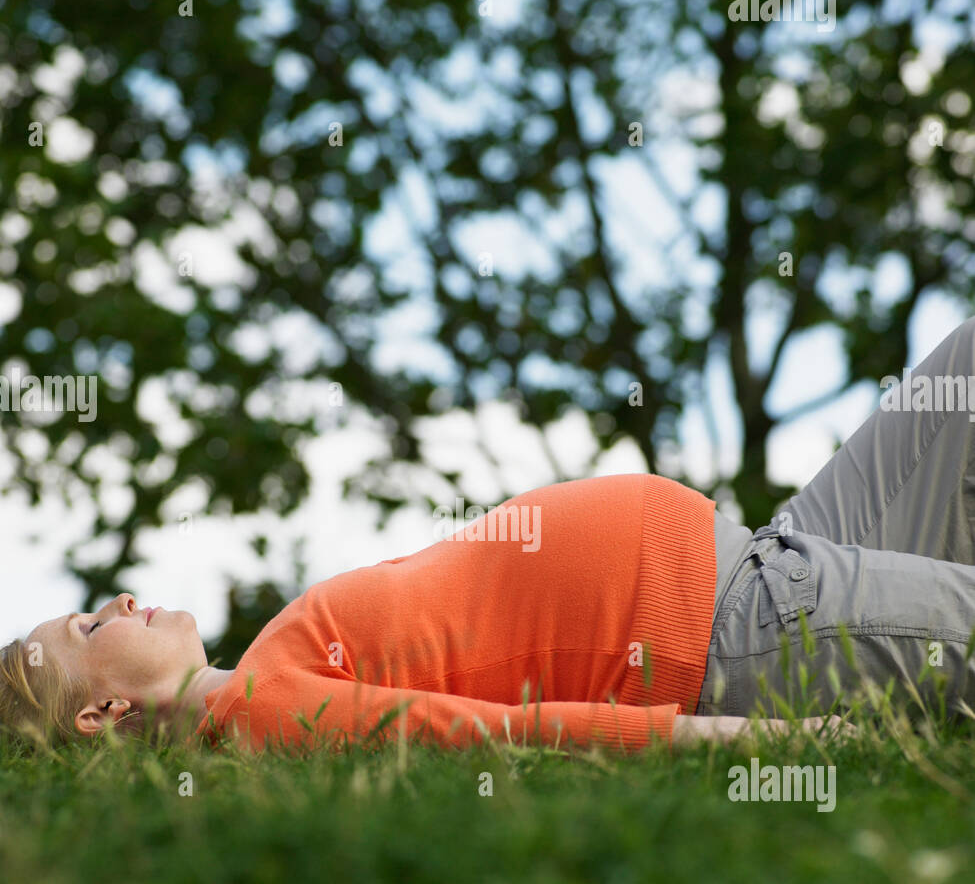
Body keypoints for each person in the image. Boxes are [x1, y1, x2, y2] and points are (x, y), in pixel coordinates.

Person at [3, 317, 975, 754]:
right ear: (103, 715)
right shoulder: (257, 713)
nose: (120, 600)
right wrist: (770, 739)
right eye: (90, 627)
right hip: (741, 634)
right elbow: (508, 734)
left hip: (758, 556)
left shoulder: (271, 659)